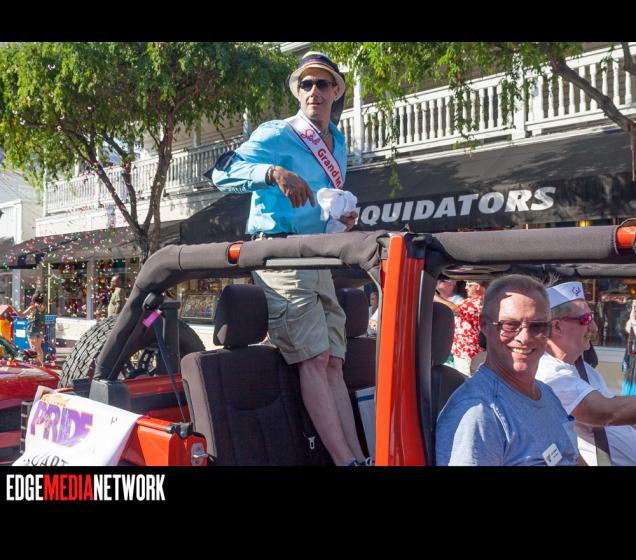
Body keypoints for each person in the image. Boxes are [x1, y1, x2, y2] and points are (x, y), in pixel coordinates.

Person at [211, 52, 367, 466]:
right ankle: (344, 460)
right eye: (306, 84)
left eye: (322, 83)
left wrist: (343, 218)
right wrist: (272, 173)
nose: (314, 91)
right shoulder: (277, 133)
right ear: (298, 92)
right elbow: (222, 172)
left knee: (333, 361)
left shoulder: (339, 142)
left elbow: (323, 203)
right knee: (314, 358)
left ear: (336, 91)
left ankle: (358, 457)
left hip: (318, 254)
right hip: (281, 254)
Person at [436, 274, 580, 466]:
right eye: (510, 325)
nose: (524, 337)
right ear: (484, 325)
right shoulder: (480, 412)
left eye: (537, 326)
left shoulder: (546, 393)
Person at [536, 282, 636, 466]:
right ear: (556, 326)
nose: (595, 327)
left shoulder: (581, 368)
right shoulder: (550, 374)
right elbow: (607, 413)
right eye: (586, 319)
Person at [435, 280, 484, 376]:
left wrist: (434, 296)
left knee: (464, 379)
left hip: (467, 351)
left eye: (469, 285)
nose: (466, 288)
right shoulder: (478, 301)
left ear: (477, 286)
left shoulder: (477, 302)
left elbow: (454, 308)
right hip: (468, 350)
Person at [12, 291, 46, 366]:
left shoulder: (33, 307)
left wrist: (14, 309)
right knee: (39, 348)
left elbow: (21, 315)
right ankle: (42, 365)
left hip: (32, 329)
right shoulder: (43, 307)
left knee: (33, 348)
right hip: (40, 329)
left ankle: (36, 365)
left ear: (34, 299)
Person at [622, 299, 636, 395]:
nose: (635, 308)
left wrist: (634, 322)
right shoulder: (633, 322)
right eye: (633, 306)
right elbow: (627, 329)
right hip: (632, 362)